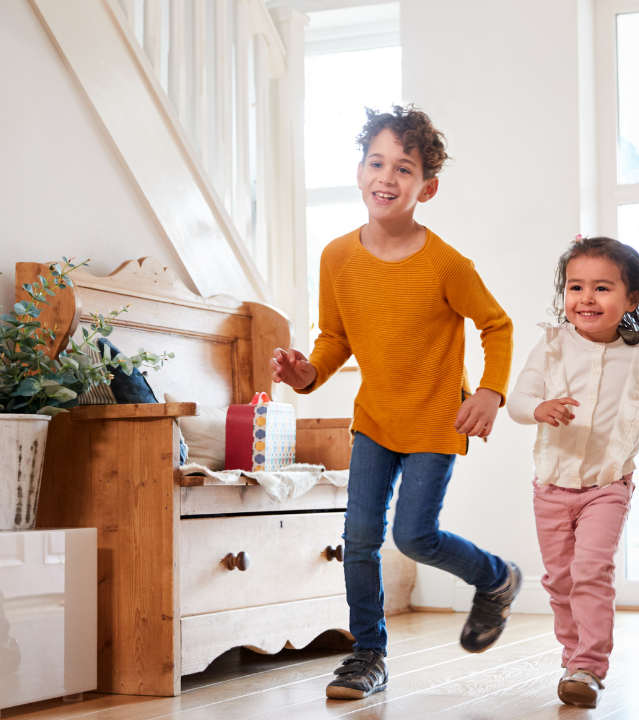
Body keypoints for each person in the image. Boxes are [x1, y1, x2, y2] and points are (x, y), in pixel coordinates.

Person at [271, 105, 522, 699]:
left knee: (414, 537)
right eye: (376, 163)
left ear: (426, 188)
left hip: (435, 420)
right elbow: (335, 338)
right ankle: (368, 653)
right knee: (358, 538)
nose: (387, 177)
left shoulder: (447, 264)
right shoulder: (336, 257)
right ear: (359, 172)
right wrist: (308, 373)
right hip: (374, 422)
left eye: (403, 169)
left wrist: (490, 392)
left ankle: (496, 578)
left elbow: (497, 325)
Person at [507, 236, 639, 709]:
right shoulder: (551, 346)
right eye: (575, 287)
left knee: (591, 571)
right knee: (560, 580)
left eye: (602, 288)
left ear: (632, 299)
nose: (586, 298)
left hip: (608, 483)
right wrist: (538, 409)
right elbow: (518, 401)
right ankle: (572, 660)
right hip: (552, 486)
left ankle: (589, 665)